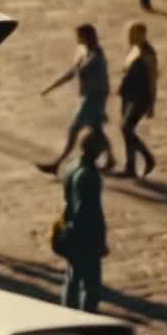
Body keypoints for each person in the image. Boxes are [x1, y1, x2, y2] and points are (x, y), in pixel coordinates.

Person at [38, 24, 114, 175]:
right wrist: (52, 86)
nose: (76, 38)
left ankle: (57, 163)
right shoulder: (84, 52)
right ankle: (111, 159)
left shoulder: (97, 58)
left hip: (93, 99)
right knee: (96, 130)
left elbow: (103, 84)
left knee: (75, 129)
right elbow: (72, 72)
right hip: (88, 98)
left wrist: (98, 102)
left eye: (78, 35)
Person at [58, 127, 109, 314]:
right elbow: (90, 212)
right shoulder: (89, 176)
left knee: (73, 278)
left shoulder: (72, 168)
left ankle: (67, 314)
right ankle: (87, 317)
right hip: (85, 235)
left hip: (71, 230)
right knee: (91, 284)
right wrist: (100, 240)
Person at [116, 22, 158, 179]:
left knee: (126, 128)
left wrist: (152, 104)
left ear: (142, 34)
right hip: (128, 94)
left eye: (132, 34)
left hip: (141, 97)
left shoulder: (148, 54)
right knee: (126, 131)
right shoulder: (134, 49)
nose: (129, 37)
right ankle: (130, 167)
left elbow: (153, 79)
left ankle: (148, 158)